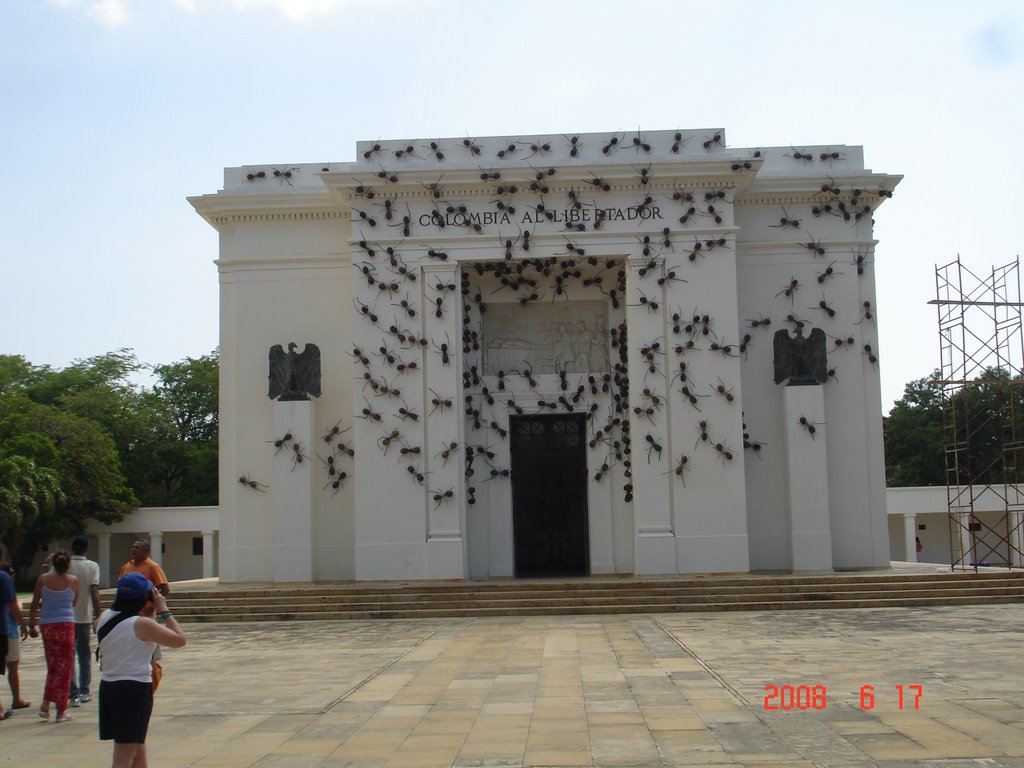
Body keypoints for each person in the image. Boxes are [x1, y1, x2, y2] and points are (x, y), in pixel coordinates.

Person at [97, 573, 185, 768]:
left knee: (137, 752)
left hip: (110, 687)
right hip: (133, 689)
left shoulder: (104, 617)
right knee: (123, 758)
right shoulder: (142, 624)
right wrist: (163, 609)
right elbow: (179, 640)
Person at [28, 549, 79, 722]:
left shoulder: (43, 579)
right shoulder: (73, 581)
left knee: (53, 665)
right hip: (65, 623)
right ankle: (61, 710)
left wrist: (31, 624)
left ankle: (45, 703)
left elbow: (35, 603)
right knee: (65, 667)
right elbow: (74, 601)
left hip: (47, 624)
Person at [69, 535, 102, 706]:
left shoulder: (63, 565)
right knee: (84, 655)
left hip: (66, 616)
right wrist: (98, 613)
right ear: (86, 549)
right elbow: (94, 591)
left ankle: (72, 692)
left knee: (69, 655)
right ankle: (84, 690)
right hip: (83, 616)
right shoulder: (91, 566)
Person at [1, 563, 31, 718]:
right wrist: (23, 623)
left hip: (6, 629)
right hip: (6, 630)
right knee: (13, 665)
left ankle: (15, 699)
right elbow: (13, 606)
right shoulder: (4, 580)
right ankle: (15, 699)